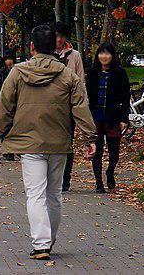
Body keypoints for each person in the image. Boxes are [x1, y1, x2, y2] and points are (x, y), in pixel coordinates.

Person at [0, 23, 96, 262]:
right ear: (57, 48)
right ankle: (48, 240)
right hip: (59, 141)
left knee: (35, 194)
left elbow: (4, 107)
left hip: (29, 142)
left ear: (32, 47)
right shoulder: (68, 76)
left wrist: (4, 131)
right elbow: (81, 109)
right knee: (54, 194)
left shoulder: (18, 73)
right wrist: (89, 137)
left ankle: (41, 243)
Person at [86, 42, 130, 193]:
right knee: (96, 150)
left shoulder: (119, 73)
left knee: (114, 151)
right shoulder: (92, 73)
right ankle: (99, 183)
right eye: (101, 53)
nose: (104, 57)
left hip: (113, 117)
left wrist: (124, 118)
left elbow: (125, 97)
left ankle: (110, 171)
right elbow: (87, 97)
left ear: (112, 56)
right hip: (96, 117)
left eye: (107, 53)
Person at [55, 23, 85, 190]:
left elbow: (81, 81)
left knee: (67, 143)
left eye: (62, 36)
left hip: (68, 107)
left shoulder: (74, 56)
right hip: (51, 108)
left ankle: (65, 179)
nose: (59, 40)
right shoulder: (46, 55)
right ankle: (54, 178)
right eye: (56, 36)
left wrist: (80, 105)